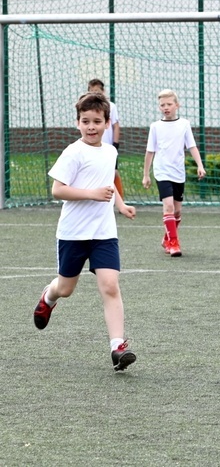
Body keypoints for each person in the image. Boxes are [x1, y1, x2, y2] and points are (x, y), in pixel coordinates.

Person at [33, 92, 138, 372]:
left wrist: (121, 204)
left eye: (97, 121)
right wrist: (91, 194)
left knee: (110, 286)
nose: (91, 126)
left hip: (104, 233)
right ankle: (48, 297)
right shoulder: (73, 152)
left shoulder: (110, 151)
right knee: (66, 289)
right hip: (73, 233)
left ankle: (117, 346)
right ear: (77, 123)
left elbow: (108, 182)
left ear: (107, 123)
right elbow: (58, 190)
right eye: (85, 121)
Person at [142, 89, 206, 257]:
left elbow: (191, 146)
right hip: (162, 171)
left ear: (177, 105)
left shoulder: (184, 124)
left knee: (177, 212)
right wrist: (146, 174)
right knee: (168, 206)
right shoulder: (155, 127)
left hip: (178, 172)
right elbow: (150, 151)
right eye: (162, 105)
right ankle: (174, 244)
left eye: (169, 104)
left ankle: (167, 238)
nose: (166, 107)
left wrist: (200, 165)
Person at [87, 79, 124, 199]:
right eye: (92, 91)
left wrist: (115, 144)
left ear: (103, 91)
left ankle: (120, 200)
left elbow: (116, 126)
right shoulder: (87, 107)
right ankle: (94, 196)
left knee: (113, 172)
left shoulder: (111, 107)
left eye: (97, 91)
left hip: (108, 146)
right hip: (92, 146)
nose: (95, 94)